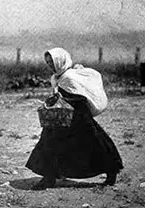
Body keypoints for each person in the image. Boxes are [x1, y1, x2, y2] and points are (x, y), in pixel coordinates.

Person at [26, 48, 123, 190]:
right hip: (61, 115)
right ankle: (49, 177)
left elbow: (81, 95)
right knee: (49, 142)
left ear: (61, 61)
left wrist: (63, 99)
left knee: (92, 142)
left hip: (78, 115)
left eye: (53, 62)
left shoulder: (70, 76)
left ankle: (111, 171)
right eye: (48, 63)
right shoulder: (56, 77)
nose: (51, 65)